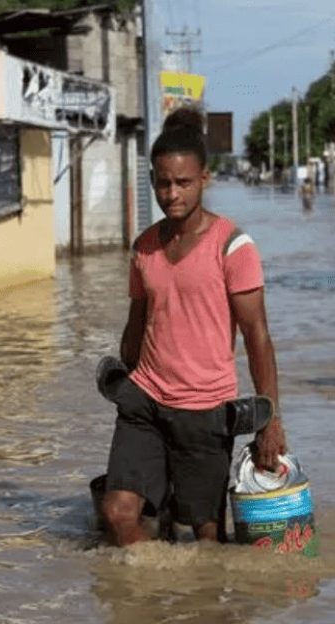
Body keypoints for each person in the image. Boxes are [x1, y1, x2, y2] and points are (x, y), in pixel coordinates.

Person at [101, 108, 288, 547]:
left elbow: (257, 336)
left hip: (205, 409)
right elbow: (137, 324)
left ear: (205, 178)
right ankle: (152, 603)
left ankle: (199, 608)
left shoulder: (233, 246)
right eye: (163, 182)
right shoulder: (144, 247)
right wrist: (123, 384)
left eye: (183, 183)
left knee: (204, 535)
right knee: (118, 513)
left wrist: (270, 420)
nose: (172, 193)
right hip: (144, 400)